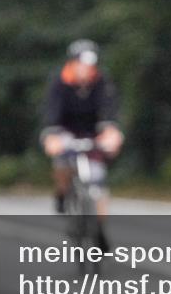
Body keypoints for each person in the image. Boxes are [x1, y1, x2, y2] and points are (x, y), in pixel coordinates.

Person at [40, 40, 124, 221]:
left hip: (92, 131)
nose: (85, 70)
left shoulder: (101, 80)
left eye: (89, 66)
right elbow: (52, 110)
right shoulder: (60, 81)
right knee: (62, 163)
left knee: (98, 179)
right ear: (73, 63)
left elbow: (108, 107)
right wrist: (52, 135)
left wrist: (110, 131)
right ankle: (62, 194)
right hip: (64, 129)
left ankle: (99, 228)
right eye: (81, 65)